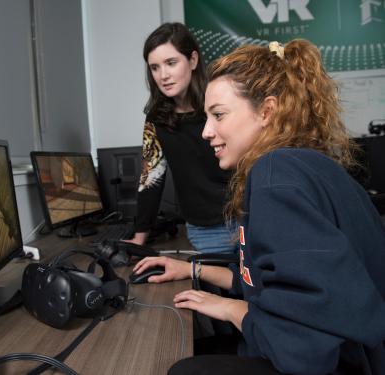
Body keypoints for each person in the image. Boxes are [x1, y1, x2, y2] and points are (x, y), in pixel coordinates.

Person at [133, 39, 385, 374]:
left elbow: (299, 348)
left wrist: (230, 310)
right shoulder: (306, 165)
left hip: (337, 365)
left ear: (266, 111)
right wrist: (191, 270)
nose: (207, 131)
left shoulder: (274, 175)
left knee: (180, 368)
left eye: (219, 115)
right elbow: (267, 282)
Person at [126, 22, 235, 254]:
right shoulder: (156, 120)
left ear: (192, 61)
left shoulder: (221, 104)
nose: (163, 75)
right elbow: (150, 179)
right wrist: (139, 238)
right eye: (154, 67)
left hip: (245, 219)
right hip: (203, 229)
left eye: (171, 63)